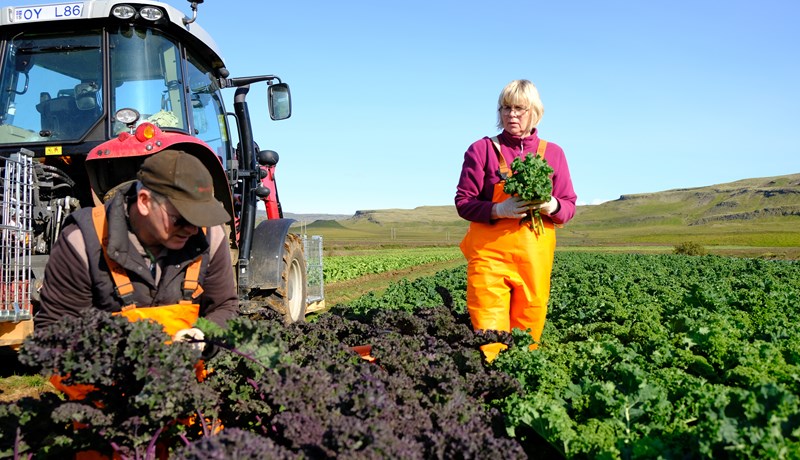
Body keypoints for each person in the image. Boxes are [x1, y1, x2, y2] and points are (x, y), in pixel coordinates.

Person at [37, 148, 238, 350]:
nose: (193, 230)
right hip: (106, 378)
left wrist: (204, 336)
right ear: (144, 202)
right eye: (182, 219)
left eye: (199, 218)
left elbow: (224, 307)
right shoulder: (81, 241)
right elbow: (54, 333)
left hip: (187, 379)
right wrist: (128, 357)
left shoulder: (210, 236)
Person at [455, 79, 577, 362]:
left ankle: (524, 375)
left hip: (533, 259)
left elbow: (569, 205)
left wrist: (552, 204)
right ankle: (491, 377)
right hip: (489, 255)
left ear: (535, 111)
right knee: (488, 328)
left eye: (519, 109)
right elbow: (463, 202)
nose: (511, 115)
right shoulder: (481, 150)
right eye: (506, 108)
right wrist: (500, 210)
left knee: (530, 324)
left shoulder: (554, 153)